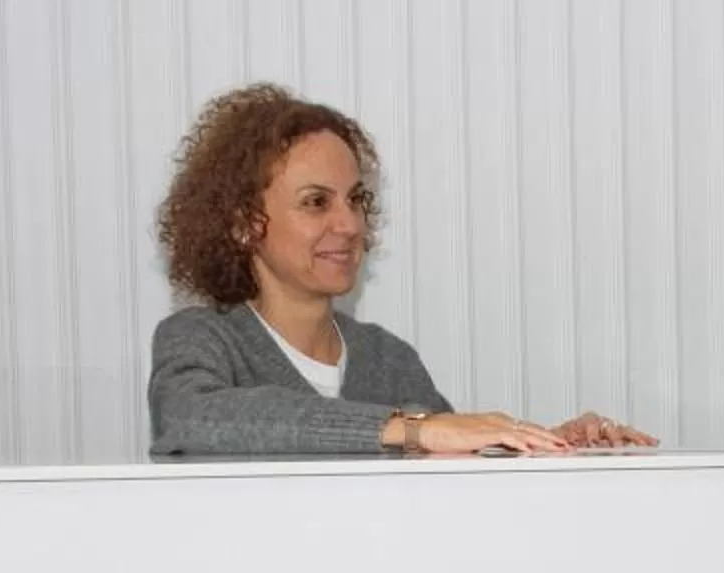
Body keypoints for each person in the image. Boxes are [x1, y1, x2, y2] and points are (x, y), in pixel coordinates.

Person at [145, 84, 649, 457]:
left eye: (356, 199)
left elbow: (455, 453)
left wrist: (554, 445)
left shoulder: (387, 358)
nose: (349, 224)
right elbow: (190, 417)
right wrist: (412, 427)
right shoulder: (199, 338)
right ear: (242, 224)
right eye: (316, 202)